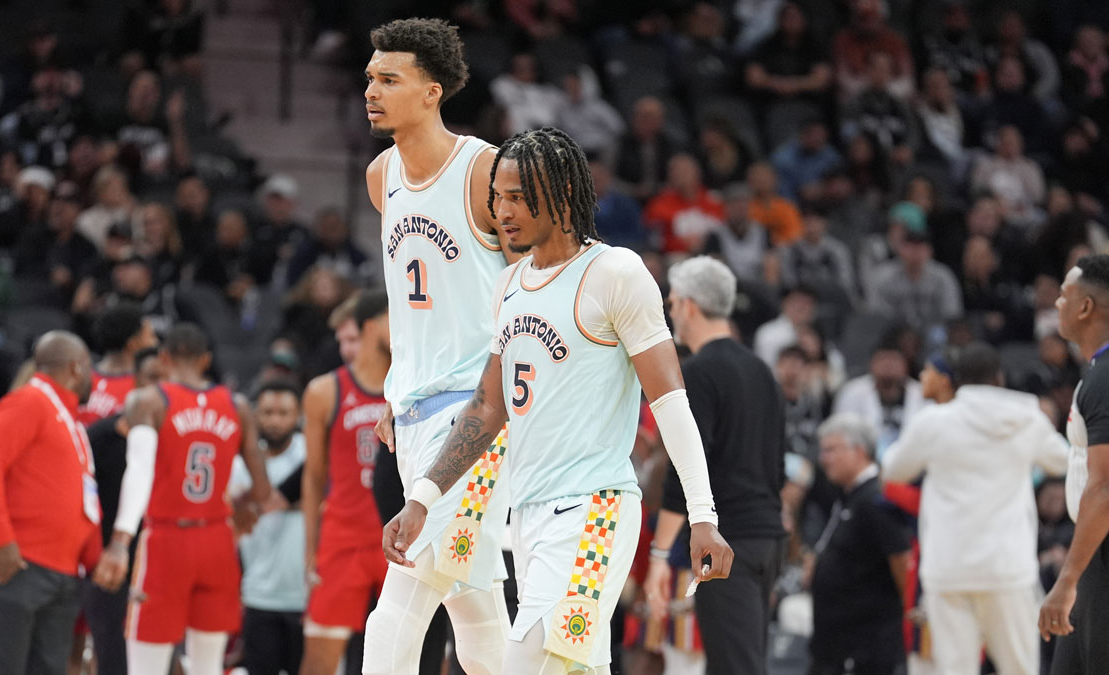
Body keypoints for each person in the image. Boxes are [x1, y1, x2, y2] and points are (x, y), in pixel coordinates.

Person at [383, 127, 732, 674]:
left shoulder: (615, 273)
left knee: (524, 665)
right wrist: (422, 498)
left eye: (518, 197)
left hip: (593, 512)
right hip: (526, 518)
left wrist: (703, 515)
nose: (502, 210)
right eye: (497, 196)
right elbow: (484, 408)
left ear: (564, 196)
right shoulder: (510, 285)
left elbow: (670, 403)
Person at [361, 18, 518, 674]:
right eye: (370, 77)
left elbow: (527, 289)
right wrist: (396, 388)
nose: (370, 89)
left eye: (388, 79)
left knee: (405, 589)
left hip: (477, 411)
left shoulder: (485, 169)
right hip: (416, 409)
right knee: (471, 595)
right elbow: (408, 300)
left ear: (431, 92)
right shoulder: (380, 177)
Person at [89, 323, 271, 675]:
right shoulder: (237, 405)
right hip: (217, 539)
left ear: (164, 357)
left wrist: (120, 540)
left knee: (146, 667)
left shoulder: (148, 400)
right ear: (205, 360)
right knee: (208, 667)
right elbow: (262, 489)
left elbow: (138, 471)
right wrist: (242, 503)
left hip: (166, 540)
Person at [882, 342, 1067, 675]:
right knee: (1020, 669)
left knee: (955, 670)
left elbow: (893, 470)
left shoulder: (933, 422)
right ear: (999, 378)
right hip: (1007, 568)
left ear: (957, 381)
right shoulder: (1025, 418)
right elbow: (1062, 460)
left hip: (948, 568)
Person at [643, 256, 786, 675]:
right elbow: (777, 466)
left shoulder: (699, 372)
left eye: (671, 305)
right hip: (767, 539)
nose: (671, 316)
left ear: (687, 305)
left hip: (728, 543)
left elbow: (685, 470)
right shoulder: (764, 371)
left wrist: (659, 553)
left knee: (734, 667)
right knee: (744, 662)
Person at [0, 331, 103, 675]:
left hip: (63, 573)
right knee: (5, 669)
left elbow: (83, 500)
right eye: (90, 367)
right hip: (18, 563)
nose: (94, 377)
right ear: (74, 368)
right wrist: (4, 543)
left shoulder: (71, 423)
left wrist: (94, 560)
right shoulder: (29, 402)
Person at [299, 290, 391, 675]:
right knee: (319, 663)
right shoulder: (324, 391)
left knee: (413, 658)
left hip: (399, 543)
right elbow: (314, 476)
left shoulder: (411, 384)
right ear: (370, 327)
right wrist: (309, 552)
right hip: (343, 540)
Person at [1041, 254, 1109, 666]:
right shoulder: (1097, 374)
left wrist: (1066, 580)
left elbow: (1104, 486)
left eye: (1064, 297)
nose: (1056, 305)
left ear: (1086, 308)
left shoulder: (1103, 380)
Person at [82, 347, 167, 675]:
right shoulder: (100, 436)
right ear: (135, 383)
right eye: (149, 379)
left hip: (163, 562)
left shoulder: (179, 439)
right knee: (112, 658)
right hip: (109, 563)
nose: (154, 390)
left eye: (163, 380)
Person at [810, 413, 913, 675]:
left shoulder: (876, 499)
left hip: (866, 650)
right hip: (837, 646)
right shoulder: (849, 495)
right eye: (822, 451)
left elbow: (902, 561)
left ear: (859, 450)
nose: (824, 459)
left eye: (831, 450)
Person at [228, 380, 307, 675]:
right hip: (258, 594)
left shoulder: (309, 454)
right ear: (255, 416)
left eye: (284, 413)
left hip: (306, 594)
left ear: (299, 415)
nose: (275, 421)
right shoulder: (239, 464)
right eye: (268, 412)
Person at [79, 302, 157, 426]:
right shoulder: (142, 385)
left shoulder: (82, 375)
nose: (156, 342)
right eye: (151, 336)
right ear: (133, 343)